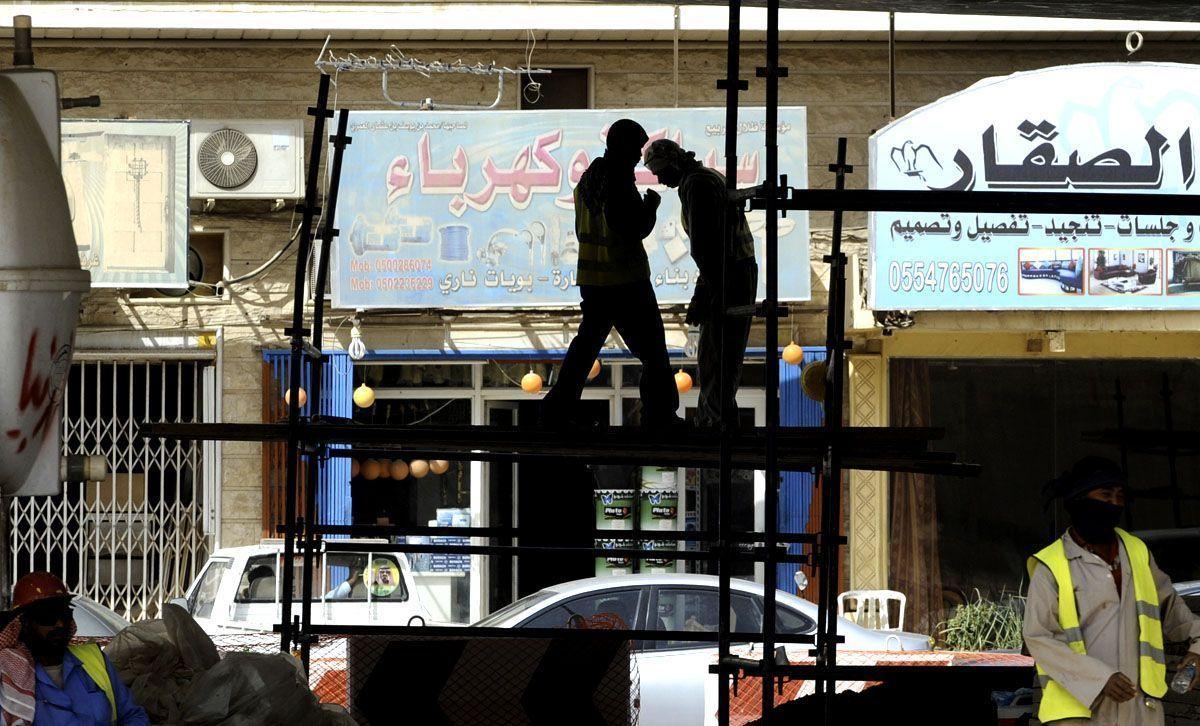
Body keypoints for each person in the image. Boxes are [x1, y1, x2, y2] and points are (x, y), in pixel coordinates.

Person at [1024, 457, 1200, 725]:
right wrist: (1099, 677)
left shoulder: (1136, 552)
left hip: (1140, 707)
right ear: (1079, 500)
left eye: (1119, 496)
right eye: (1105, 495)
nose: (1115, 504)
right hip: (1080, 712)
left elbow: (1173, 610)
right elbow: (1038, 637)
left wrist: (1198, 649)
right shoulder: (1051, 566)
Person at [542, 119, 681, 427]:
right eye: (635, 148)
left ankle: (557, 409)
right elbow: (631, 228)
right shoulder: (617, 182)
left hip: (594, 283)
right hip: (626, 282)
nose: (636, 156)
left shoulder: (588, 181)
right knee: (654, 349)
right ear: (622, 147)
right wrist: (651, 208)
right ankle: (660, 415)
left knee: (585, 347)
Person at [643, 139, 758, 428]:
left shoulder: (697, 184)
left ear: (673, 163)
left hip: (729, 274)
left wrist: (704, 295)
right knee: (719, 354)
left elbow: (706, 248)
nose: (659, 179)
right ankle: (719, 418)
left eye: (660, 171)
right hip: (732, 271)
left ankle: (715, 422)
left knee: (716, 355)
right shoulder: (704, 178)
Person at [0, 572, 149, 725]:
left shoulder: (94, 659)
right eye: (47, 618)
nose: (59, 624)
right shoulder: (8, 674)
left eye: (64, 615)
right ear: (24, 624)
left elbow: (133, 715)